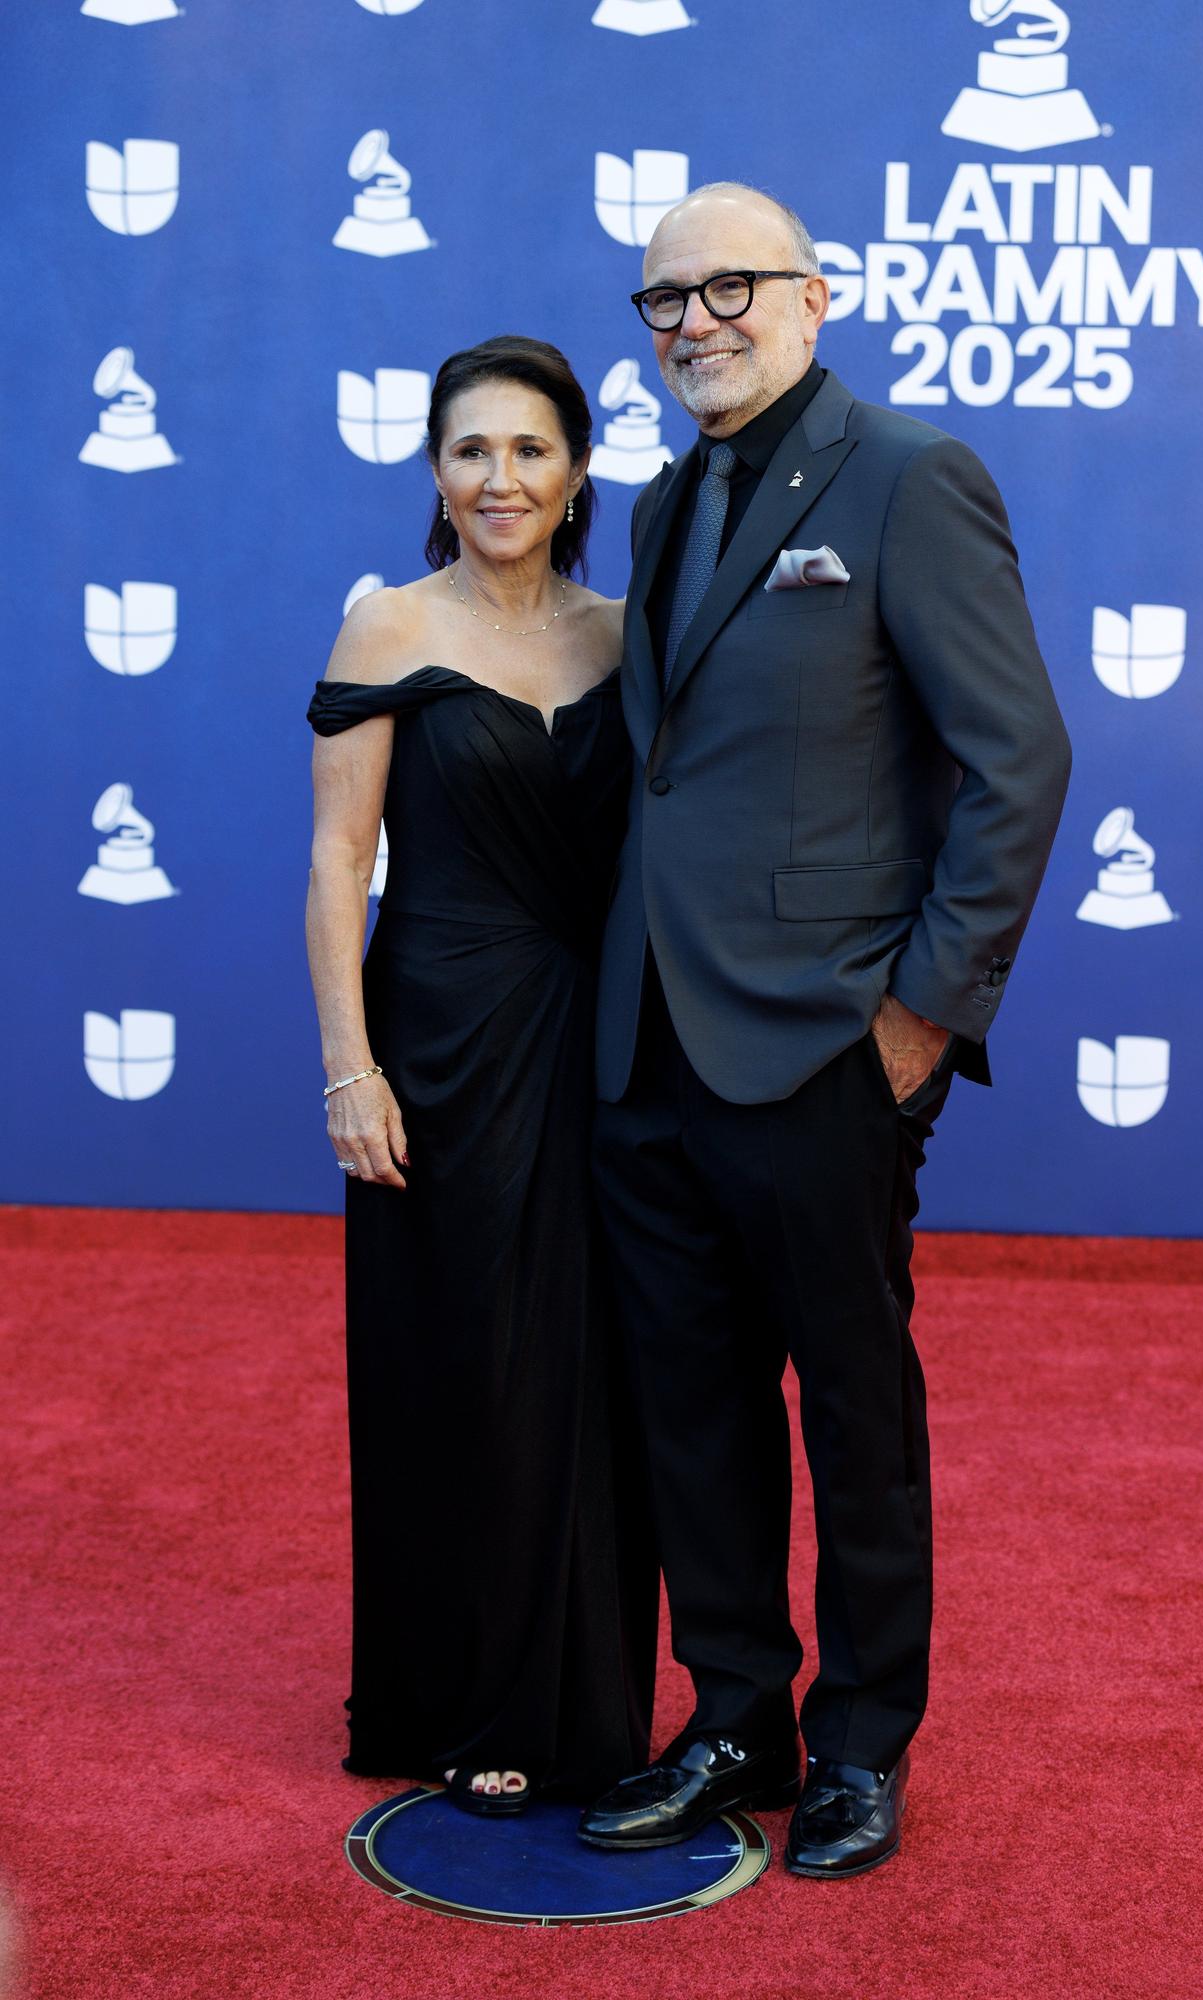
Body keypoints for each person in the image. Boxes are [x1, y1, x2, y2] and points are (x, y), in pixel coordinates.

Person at [579, 186, 1072, 1877]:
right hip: (647, 1045)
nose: (694, 322)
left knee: (854, 1410)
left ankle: (861, 1741)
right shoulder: (661, 499)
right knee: (692, 1408)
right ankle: (735, 1716)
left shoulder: (908, 476)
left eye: (729, 286)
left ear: (814, 295)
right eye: (663, 299)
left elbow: (1017, 759)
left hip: (822, 1045)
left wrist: (921, 1012)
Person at [305, 335, 655, 1814]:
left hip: (608, 1047)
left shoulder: (632, 634)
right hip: (441, 1042)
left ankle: (584, 1698)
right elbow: (339, 860)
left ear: (577, 471)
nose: (499, 478)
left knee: (598, 1371)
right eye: (470, 452)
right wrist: (350, 1070)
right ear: (435, 473)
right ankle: (457, 1690)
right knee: (459, 1364)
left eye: (528, 449)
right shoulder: (386, 626)